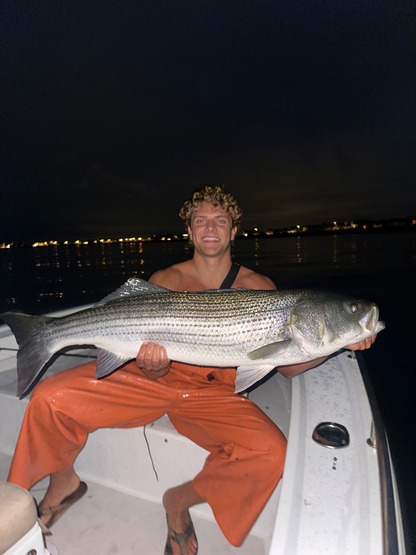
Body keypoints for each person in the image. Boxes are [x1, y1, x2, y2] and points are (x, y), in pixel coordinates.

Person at [8, 185, 376, 555]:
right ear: (189, 231)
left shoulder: (260, 289)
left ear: (234, 231)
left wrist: (340, 342)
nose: (211, 227)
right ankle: (64, 485)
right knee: (50, 398)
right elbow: (136, 348)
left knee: (270, 452)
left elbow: (289, 368)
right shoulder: (166, 280)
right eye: (201, 220)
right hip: (151, 380)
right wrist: (152, 368)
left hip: (214, 394)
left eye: (221, 220)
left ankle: (178, 503)